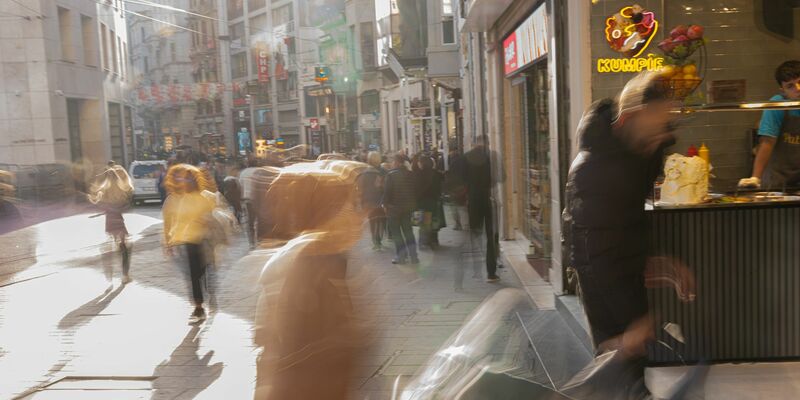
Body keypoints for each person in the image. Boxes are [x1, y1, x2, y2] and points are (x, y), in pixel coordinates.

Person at [563, 72, 695, 398]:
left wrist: (656, 259)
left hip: (621, 266)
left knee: (630, 367)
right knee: (619, 369)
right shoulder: (597, 167)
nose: (660, 136)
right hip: (603, 277)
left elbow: (626, 222)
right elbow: (593, 246)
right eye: (656, 124)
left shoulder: (635, 154)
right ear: (633, 116)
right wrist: (632, 325)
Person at [254, 160, 368, 400]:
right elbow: (278, 358)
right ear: (324, 213)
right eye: (349, 206)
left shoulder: (327, 259)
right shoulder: (295, 268)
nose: (358, 217)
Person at [162, 164, 216, 323]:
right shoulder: (180, 199)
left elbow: (211, 219)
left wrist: (205, 222)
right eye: (184, 179)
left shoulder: (204, 198)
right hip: (188, 241)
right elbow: (173, 221)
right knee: (193, 275)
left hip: (204, 240)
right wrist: (169, 242)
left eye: (189, 179)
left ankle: (208, 293)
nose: (185, 182)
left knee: (203, 272)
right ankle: (198, 307)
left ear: (195, 181)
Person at [739, 60, 800, 189]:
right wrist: (755, 177)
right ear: (782, 90)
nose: (798, 89)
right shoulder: (777, 105)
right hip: (777, 181)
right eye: (790, 86)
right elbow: (767, 142)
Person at [88, 164, 134, 283]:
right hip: (119, 221)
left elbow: (97, 203)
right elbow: (126, 205)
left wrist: (94, 199)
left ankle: (109, 273)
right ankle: (125, 276)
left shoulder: (103, 190)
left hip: (109, 222)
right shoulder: (121, 190)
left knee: (110, 245)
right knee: (124, 248)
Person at [463, 135, 500, 282]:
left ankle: (476, 269)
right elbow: (500, 177)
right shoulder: (491, 156)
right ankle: (491, 272)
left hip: (473, 200)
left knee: (475, 233)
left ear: (474, 143)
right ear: (486, 143)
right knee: (490, 236)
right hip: (488, 199)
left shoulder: (466, 157)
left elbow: (461, 179)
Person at [383, 153, 419, 264]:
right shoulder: (411, 174)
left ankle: (401, 256)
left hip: (394, 209)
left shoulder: (391, 175)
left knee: (397, 233)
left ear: (397, 162)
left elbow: (387, 193)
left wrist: (385, 205)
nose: (392, 163)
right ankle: (414, 257)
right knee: (408, 232)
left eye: (393, 161)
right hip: (408, 208)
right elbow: (415, 191)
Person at [413, 153, 444, 249]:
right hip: (434, 201)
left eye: (419, 162)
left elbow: (415, 189)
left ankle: (423, 242)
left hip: (422, 202)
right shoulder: (437, 173)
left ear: (422, 163)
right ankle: (434, 241)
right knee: (434, 221)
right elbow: (441, 187)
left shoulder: (418, 174)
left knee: (424, 223)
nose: (418, 163)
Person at [358, 151, 386, 250]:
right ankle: (379, 239)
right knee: (381, 220)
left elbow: (361, 189)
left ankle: (375, 241)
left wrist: (361, 201)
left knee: (372, 221)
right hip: (380, 200)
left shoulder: (364, 173)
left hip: (368, 201)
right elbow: (386, 187)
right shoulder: (383, 172)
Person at [445, 149, 467, 230]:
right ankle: (466, 223)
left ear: (452, 153)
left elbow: (451, 176)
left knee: (454, 206)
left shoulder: (453, 163)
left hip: (455, 187)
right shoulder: (464, 160)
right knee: (464, 205)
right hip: (463, 186)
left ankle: (458, 224)